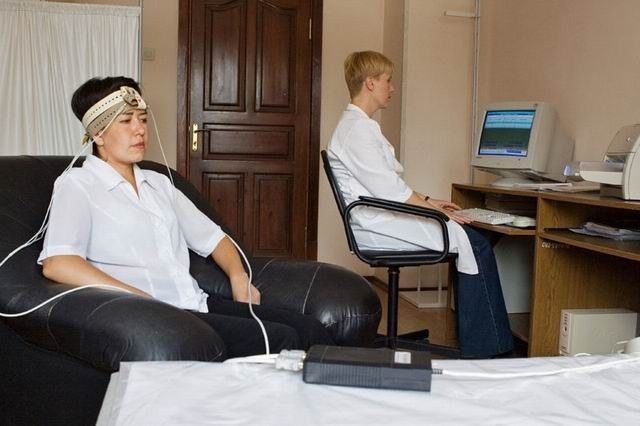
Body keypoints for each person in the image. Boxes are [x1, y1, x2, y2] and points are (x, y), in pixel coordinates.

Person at [38, 76, 332, 359]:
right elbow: (59, 263)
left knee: (311, 330)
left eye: (143, 119)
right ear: (98, 134)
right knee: (283, 340)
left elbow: (215, 238)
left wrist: (238, 277)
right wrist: (137, 297)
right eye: (126, 121)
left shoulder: (158, 183)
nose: (140, 130)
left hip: (197, 304)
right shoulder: (78, 184)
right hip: (158, 318)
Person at [327, 51, 513, 358]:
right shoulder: (357, 129)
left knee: (472, 239)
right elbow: (389, 191)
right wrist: (435, 211)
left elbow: (387, 184)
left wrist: (428, 200)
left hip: (379, 217)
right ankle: (490, 352)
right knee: (476, 243)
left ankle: (483, 340)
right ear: (370, 83)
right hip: (377, 225)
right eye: (388, 80)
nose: (392, 88)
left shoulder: (358, 125)